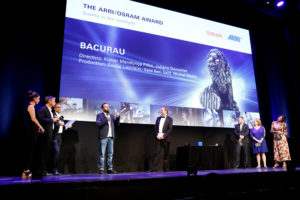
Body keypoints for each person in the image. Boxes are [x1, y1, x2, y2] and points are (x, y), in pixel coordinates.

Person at [22, 91, 45, 179]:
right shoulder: (31, 106)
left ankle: (27, 170)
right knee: (29, 150)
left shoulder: (33, 107)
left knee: (32, 151)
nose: (39, 100)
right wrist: (41, 127)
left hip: (34, 130)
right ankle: (26, 171)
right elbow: (33, 119)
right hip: (31, 131)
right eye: (38, 98)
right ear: (34, 98)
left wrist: (38, 128)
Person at [96, 103, 120, 174]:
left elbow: (117, 124)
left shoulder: (112, 116)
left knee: (110, 154)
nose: (107, 107)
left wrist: (118, 117)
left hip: (111, 137)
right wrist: (106, 120)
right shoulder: (99, 115)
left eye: (108, 106)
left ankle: (110, 169)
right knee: (102, 154)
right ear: (102, 108)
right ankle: (101, 169)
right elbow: (98, 124)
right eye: (106, 107)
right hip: (103, 136)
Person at [38, 96, 59, 176]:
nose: (54, 102)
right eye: (54, 101)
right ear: (49, 101)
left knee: (47, 152)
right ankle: (42, 170)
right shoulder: (43, 109)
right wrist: (52, 120)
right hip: (45, 134)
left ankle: (45, 170)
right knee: (44, 152)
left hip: (50, 133)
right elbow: (41, 119)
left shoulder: (50, 110)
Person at [149, 107, 173, 172]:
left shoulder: (170, 119)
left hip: (165, 138)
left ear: (166, 111)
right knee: (156, 153)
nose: (161, 111)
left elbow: (170, 129)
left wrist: (164, 135)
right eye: (161, 110)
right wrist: (157, 135)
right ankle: (153, 168)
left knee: (166, 154)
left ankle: (165, 168)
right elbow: (155, 128)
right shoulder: (158, 118)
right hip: (158, 138)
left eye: (162, 110)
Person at [51, 102, 72, 175]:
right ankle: (54, 170)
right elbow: (53, 124)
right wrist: (59, 123)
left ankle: (55, 170)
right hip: (54, 136)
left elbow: (62, 127)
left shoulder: (61, 116)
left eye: (60, 107)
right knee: (55, 153)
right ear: (54, 108)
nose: (59, 108)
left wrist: (67, 126)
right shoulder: (53, 115)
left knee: (57, 153)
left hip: (60, 136)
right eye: (58, 107)